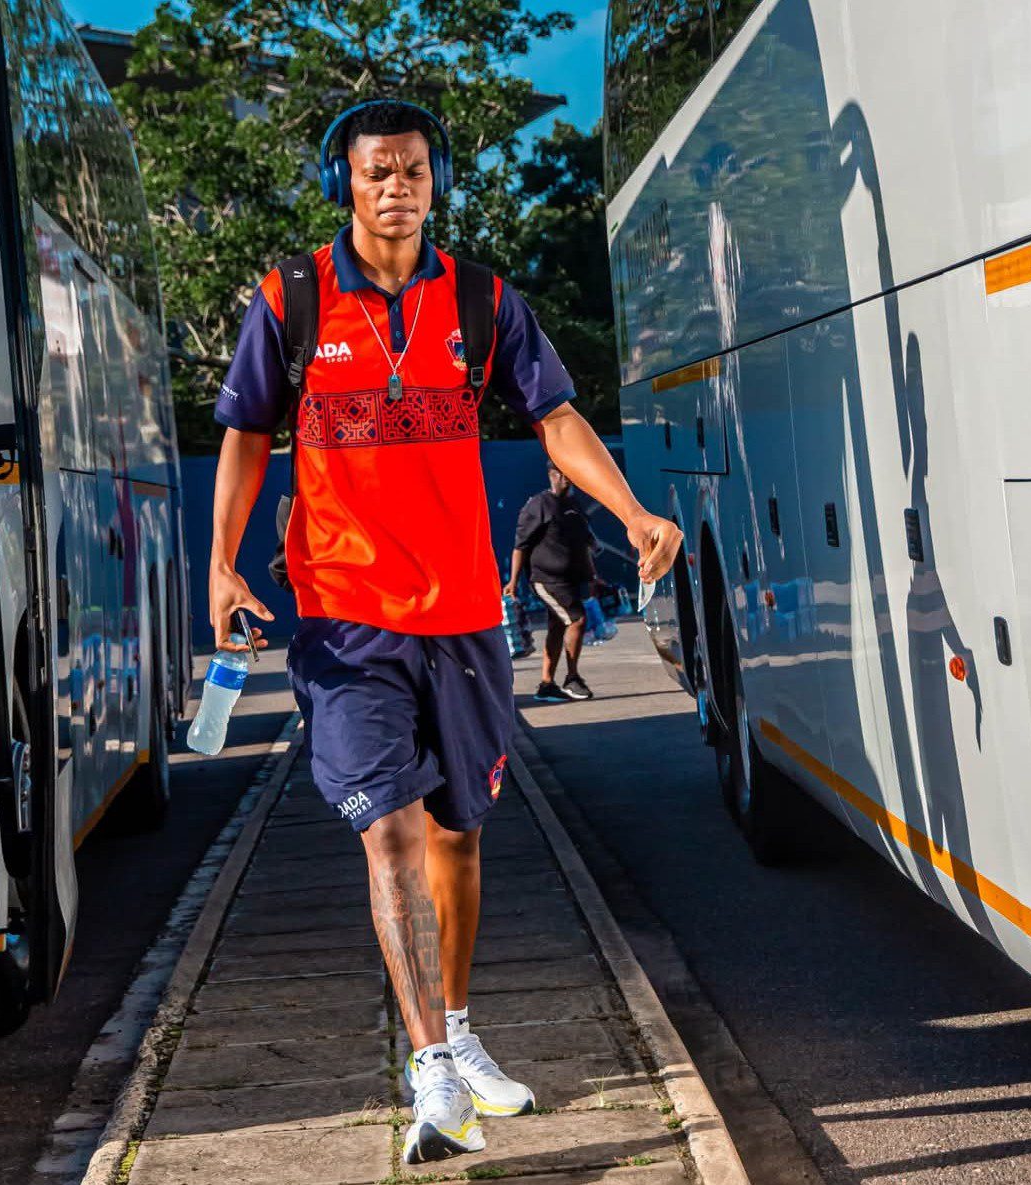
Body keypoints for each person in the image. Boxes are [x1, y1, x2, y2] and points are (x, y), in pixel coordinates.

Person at [205, 99, 683, 1166]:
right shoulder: (291, 300)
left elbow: (554, 416)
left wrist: (634, 512)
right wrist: (222, 562)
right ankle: (428, 1066)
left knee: (460, 836)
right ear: (344, 184)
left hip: (462, 610)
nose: (396, 186)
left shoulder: (482, 298)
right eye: (376, 170)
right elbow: (242, 434)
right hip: (344, 613)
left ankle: (458, 1031)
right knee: (391, 831)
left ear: (436, 182)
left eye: (414, 170)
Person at [504, 463, 597, 702]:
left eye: (569, 473)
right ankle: (572, 678)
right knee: (577, 619)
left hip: (570, 580)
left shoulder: (574, 506)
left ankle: (547, 684)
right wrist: (513, 581)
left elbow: (585, 544)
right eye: (559, 473)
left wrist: (593, 576)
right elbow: (520, 546)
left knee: (558, 626)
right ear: (550, 475)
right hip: (546, 579)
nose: (565, 478)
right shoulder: (539, 505)